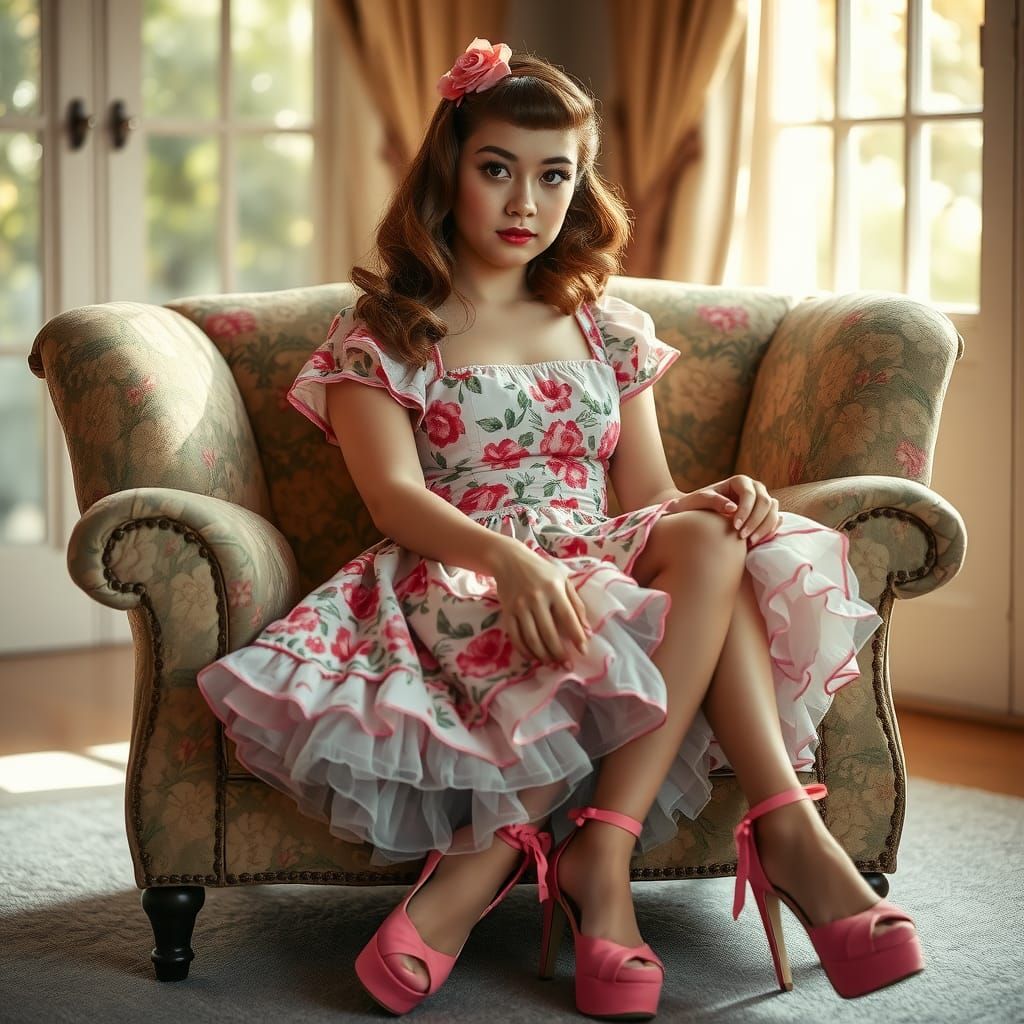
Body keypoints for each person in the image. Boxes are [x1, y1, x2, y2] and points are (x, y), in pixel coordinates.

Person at [196, 37, 924, 1019]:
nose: (523, 203)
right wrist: (509, 559)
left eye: (553, 176)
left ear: (578, 189)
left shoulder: (606, 327)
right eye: (496, 168)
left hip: (597, 548)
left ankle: (614, 850)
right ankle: (744, 843)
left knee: (714, 538)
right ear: (449, 167)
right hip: (456, 570)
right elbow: (394, 501)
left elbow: (649, 491)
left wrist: (724, 496)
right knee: (646, 586)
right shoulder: (388, 330)